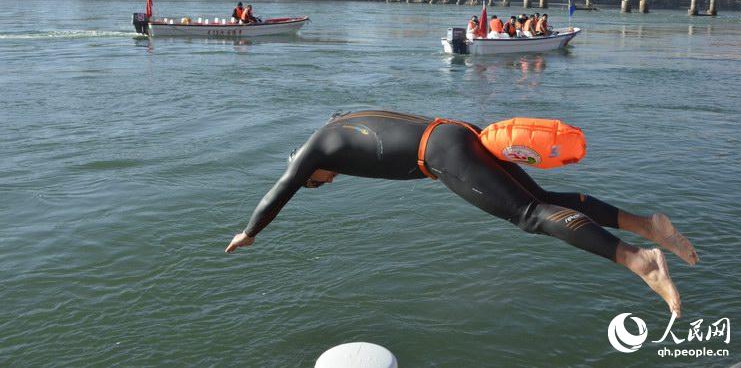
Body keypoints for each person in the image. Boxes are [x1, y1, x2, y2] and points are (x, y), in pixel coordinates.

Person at [227, 110, 697, 316]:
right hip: (458, 131)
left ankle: (641, 260)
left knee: (531, 215)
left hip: (443, 155)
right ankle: (648, 225)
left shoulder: (314, 152)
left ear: (311, 169)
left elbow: (282, 188)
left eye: (317, 182)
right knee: (545, 199)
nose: (323, 184)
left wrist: (250, 232)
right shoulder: (336, 127)